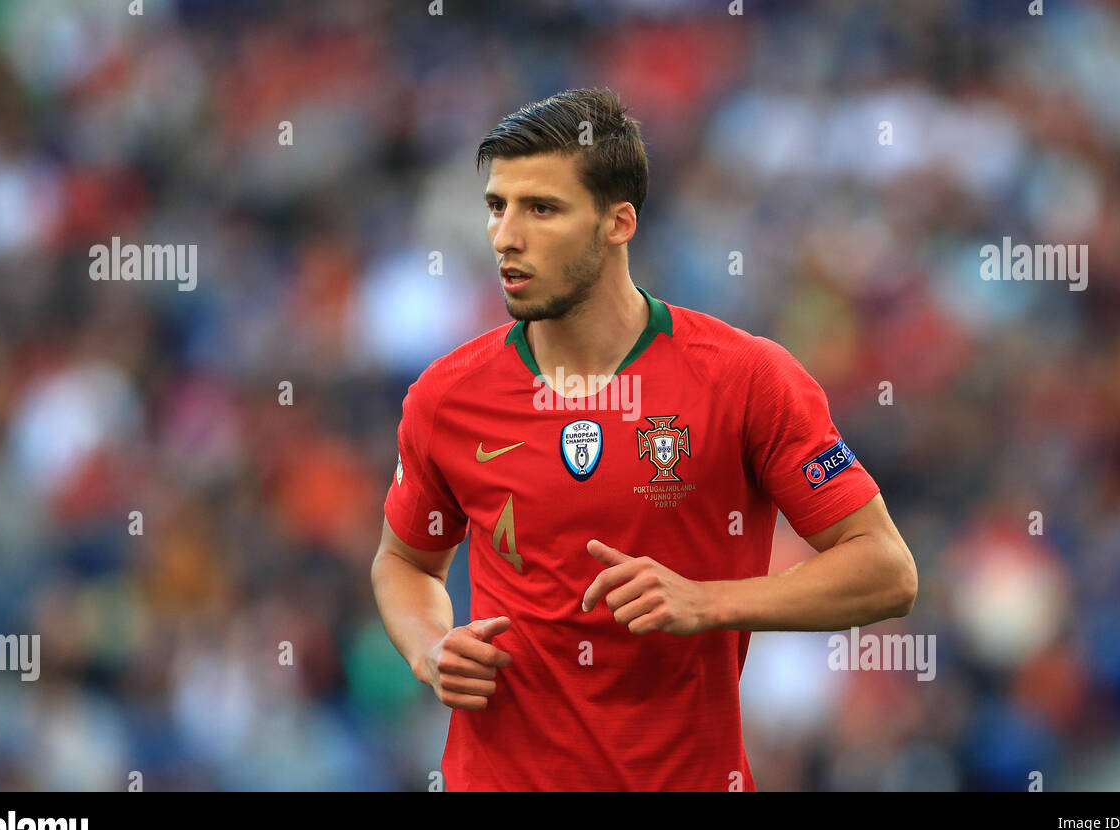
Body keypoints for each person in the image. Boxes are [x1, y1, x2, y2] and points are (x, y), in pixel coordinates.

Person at [371, 87, 917, 791]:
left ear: (618, 222)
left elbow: (887, 570)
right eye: (497, 206)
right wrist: (429, 644)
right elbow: (405, 562)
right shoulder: (447, 396)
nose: (506, 235)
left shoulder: (744, 378)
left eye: (542, 208)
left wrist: (711, 600)